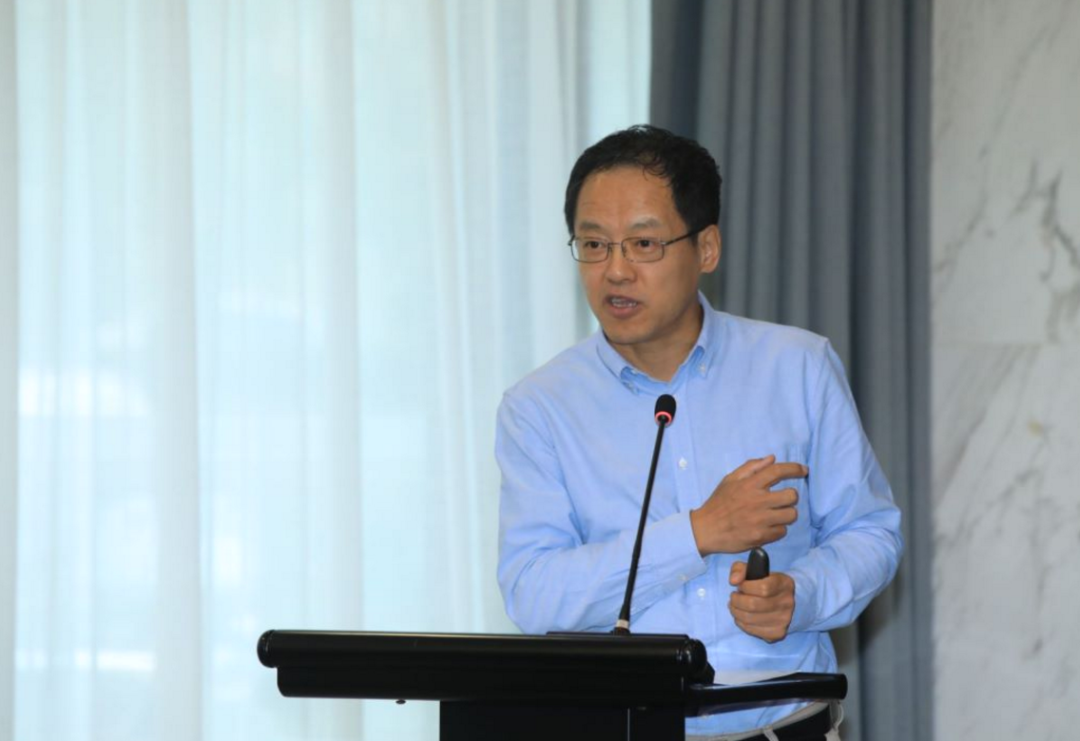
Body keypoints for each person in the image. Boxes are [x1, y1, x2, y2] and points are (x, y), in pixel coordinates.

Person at [495, 125, 902, 740]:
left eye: (644, 244)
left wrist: (802, 595)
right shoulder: (540, 408)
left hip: (786, 727)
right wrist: (697, 533)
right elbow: (534, 593)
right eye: (594, 244)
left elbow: (871, 532)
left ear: (706, 248)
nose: (615, 271)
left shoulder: (796, 367)